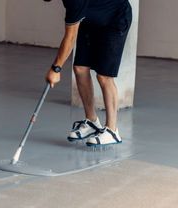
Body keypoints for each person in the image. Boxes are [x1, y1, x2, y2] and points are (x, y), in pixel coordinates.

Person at [44, 0, 132, 147]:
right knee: (80, 69)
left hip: (115, 18)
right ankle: (92, 122)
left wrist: (56, 69)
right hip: (91, 20)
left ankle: (112, 131)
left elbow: (70, 37)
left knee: (104, 76)